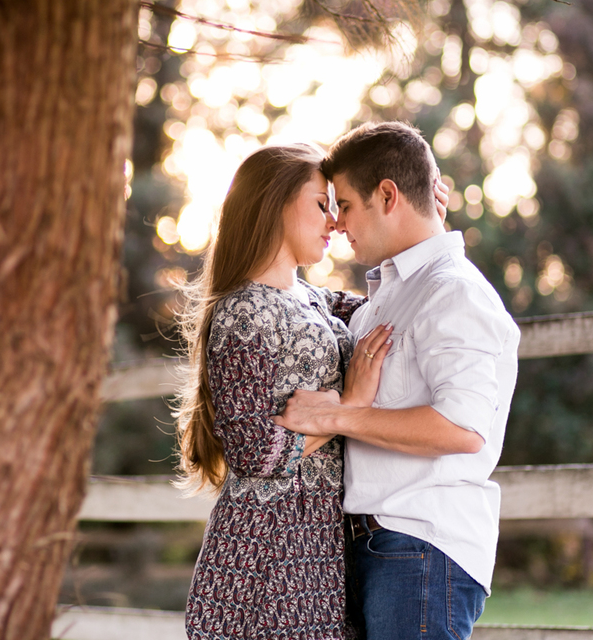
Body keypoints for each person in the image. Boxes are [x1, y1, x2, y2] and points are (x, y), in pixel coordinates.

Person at [275, 122, 520, 640]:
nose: (338, 223)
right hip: (376, 548)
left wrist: (340, 415)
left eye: (345, 205)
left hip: (421, 547)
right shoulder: (386, 297)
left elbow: (461, 429)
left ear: (388, 196)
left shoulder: (454, 292)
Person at [176, 142, 394, 640]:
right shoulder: (243, 313)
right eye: (321, 205)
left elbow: (389, 300)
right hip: (271, 545)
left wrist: (427, 219)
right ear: (275, 203)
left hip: (320, 535)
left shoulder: (312, 298)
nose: (334, 222)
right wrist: (350, 408)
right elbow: (255, 451)